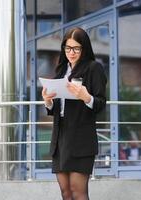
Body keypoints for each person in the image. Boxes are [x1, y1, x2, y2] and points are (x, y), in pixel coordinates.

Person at [41, 27, 107, 200]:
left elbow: (101, 104)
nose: (71, 52)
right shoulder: (62, 70)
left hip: (81, 139)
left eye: (76, 48)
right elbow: (58, 108)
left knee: (78, 192)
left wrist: (86, 97)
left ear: (84, 48)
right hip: (60, 138)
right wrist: (48, 101)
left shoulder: (94, 68)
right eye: (68, 48)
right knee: (66, 193)